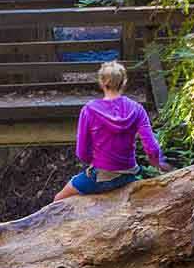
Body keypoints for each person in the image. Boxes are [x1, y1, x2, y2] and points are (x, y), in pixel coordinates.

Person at [54, 60, 172, 202]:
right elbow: (152, 148)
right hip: (129, 173)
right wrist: (157, 164)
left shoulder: (89, 110)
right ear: (124, 82)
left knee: (58, 200)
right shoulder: (137, 108)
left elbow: (81, 152)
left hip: (100, 176)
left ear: (101, 82)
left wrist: (98, 162)